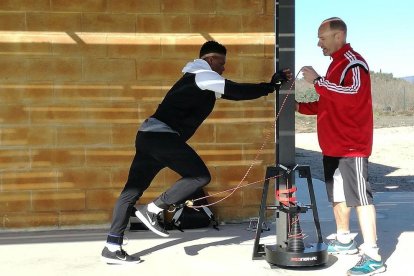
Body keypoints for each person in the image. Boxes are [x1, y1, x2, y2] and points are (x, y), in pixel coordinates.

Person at [101, 40, 292, 264]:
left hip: (148, 137)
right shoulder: (202, 75)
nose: (223, 68)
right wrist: (270, 86)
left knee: (131, 191)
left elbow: (233, 93)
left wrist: (269, 86)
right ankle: (153, 210)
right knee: (199, 176)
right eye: (221, 63)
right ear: (210, 60)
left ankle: (112, 247)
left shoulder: (200, 81)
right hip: (162, 136)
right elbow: (236, 90)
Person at [296, 18, 386, 275]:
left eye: (322, 38)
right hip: (332, 147)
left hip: (351, 147)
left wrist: (317, 82)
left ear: (338, 37)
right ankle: (345, 239)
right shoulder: (335, 66)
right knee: (337, 196)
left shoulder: (353, 63)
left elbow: (353, 94)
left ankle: (373, 256)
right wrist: (299, 106)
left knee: (360, 198)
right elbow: (329, 102)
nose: (318, 44)